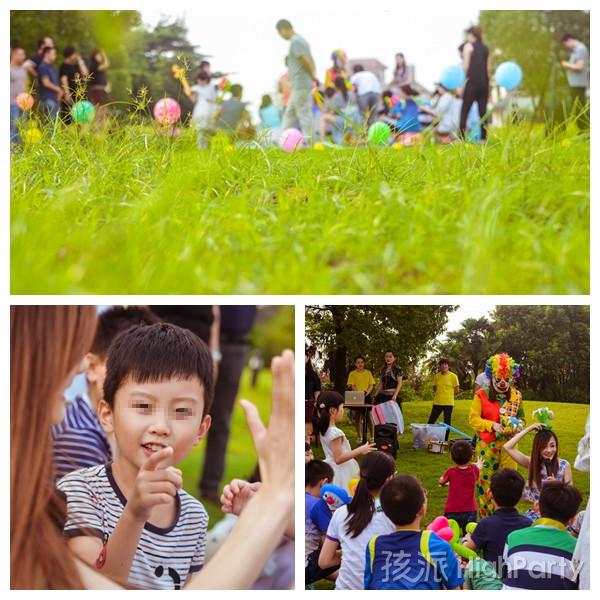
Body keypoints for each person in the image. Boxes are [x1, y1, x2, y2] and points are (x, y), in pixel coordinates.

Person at [11, 305, 296, 589]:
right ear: (107, 415)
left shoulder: (195, 517)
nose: (161, 425)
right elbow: (96, 584)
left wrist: (256, 516)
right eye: (143, 406)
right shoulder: (80, 490)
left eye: (182, 410)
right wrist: (134, 514)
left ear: (202, 428)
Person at [52, 305, 159, 481]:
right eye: (126, 370)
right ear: (92, 367)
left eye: (152, 375)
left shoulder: (122, 431)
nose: (143, 385)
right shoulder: (79, 441)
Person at [199, 305, 257, 504]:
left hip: (237, 345)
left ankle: (210, 485)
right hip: (203, 336)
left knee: (221, 420)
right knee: (180, 411)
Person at [365, 474, 463, 589]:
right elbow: (455, 588)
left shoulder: (374, 546)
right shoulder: (435, 545)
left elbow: (368, 586)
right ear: (421, 510)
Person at [319, 452, 396, 589]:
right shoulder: (396, 514)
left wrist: (352, 554)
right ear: (389, 479)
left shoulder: (341, 513)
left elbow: (324, 561)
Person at [469, 353, 525, 517]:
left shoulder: (516, 396)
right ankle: (486, 519)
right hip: (487, 446)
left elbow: (522, 418)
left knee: (509, 482)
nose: (502, 383)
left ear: (511, 378)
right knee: (486, 481)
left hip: (509, 446)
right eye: (499, 378)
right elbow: (473, 420)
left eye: (506, 379)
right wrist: (492, 425)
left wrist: (518, 426)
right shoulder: (481, 395)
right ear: (491, 376)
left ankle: (507, 518)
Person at [502, 481, 582, 590]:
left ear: (537, 507)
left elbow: (507, 570)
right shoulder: (578, 549)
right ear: (572, 520)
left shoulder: (513, 537)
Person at [462, 468, 532, 577]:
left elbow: (465, 549)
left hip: (493, 582)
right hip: (521, 580)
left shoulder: (486, 525)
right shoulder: (529, 525)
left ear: (490, 494)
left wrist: (467, 538)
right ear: (520, 497)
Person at [502, 423, 572, 521]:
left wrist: (557, 486)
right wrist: (529, 429)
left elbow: (571, 496)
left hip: (557, 515)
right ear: (537, 448)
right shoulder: (532, 463)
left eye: (552, 446)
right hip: (536, 515)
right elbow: (507, 447)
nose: (549, 450)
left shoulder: (564, 465)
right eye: (544, 447)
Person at [311, 391, 375, 492]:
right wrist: (360, 450)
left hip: (331, 468)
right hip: (342, 471)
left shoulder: (324, 429)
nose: (343, 411)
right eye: (342, 408)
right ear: (333, 410)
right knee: (347, 494)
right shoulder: (336, 433)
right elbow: (338, 459)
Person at [276, 19, 316, 143]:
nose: (280, 36)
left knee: (303, 113)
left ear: (284, 29)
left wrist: (312, 75)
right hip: (298, 84)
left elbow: (305, 60)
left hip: (301, 83)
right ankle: (283, 141)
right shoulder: (300, 40)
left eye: (280, 32)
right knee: (290, 113)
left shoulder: (296, 41)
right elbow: (310, 60)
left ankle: (309, 143)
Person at [305, 460, 338, 585]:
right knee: (349, 552)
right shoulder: (319, 504)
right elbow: (329, 541)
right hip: (305, 566)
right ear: (324, 483)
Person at [439, 440, 482, 533]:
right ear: (471, 457)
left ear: (452, 457)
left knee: (451, 536)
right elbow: (477, 472)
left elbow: (442, 481)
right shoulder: (474, 470)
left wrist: (443, 482)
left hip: (452, 510)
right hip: (470, 510)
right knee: (469, 536)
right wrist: (478, 465)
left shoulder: (451, 471)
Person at [459, 26, 491, 142]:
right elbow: (488, 71)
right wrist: (489, 90)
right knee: (483, 113)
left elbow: (466, 67)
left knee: (464, 111)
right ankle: (483, 139)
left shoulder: (468, 46)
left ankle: (461, 138)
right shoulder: (486, 49)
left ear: (471, 35)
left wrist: (461, 86)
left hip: (472, 83)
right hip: (484, 85)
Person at [319, 75, 360, 144]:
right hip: (355, 121)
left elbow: (331, 113)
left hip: (345, 121)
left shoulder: (337, 96)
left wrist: (322, 107)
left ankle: (321, 141)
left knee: (323, 118)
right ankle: (350, 140)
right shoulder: (351, 94)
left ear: (335, 86)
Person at [560, 33, 589, 130]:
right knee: (577, 109)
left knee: (580, 109)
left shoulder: (581, 49)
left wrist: (566, 64)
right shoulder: (576, 50)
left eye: (566, 44)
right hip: (574, 84)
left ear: (569, 40)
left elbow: (579, 67)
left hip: (578, 85)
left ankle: (585, 132)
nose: (566, 47)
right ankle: (583, 131)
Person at [346, 355, 375, 443]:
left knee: (369, 416)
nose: (360, 364)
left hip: (367, 396)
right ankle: (359, 437)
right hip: (357, 397)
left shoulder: (368, 373)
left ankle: (372, 436)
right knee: (357, 417)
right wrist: (359, 394)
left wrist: (366, 393)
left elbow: (371, 385)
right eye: (358, 362)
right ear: (355, 364)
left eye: (362, 362)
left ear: (364, 363)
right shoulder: (352, 373)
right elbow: (352, 385)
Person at [428, 358, 460, 432]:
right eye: (442, 364)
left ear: (448, 366)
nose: (444, 366)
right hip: (437, 402)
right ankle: (427, 438)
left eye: (445, 364)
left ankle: (445, 440)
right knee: (431, 421)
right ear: (440, 366)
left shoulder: (453, 376)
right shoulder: (437, 376)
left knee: (447, 423)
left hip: (448, 403)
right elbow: (435, 388)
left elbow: (457, 389)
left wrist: (449, 395)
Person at [188, 70, 218, 149]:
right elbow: (193, 100)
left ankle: (207, 148)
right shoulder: (195, 88)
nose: (202, 82)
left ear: (206, 80)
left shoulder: (210, 88)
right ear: (197, 79)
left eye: (203, 80)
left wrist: (210, 101)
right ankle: (200, 147)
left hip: (209, 110)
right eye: (200, 80)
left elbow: (215, 100)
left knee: (208, 130)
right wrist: (190, 93)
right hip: (200, 110)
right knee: (200, 129)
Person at [59, 46, 89, 122]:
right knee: (68, 120)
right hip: (71, 97)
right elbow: (64, 80)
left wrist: (80, 61)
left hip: (80, 97)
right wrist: (67, 94)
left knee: (81, 120)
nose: (76, 55)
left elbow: (86, 74)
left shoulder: (75, 66)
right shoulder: (64, 66)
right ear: (70, 55)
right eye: (74, 54)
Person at [37, 46, 63, 121]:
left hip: (55, 100)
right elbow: (46, 83)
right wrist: (59, 90)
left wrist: (59, 93)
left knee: (55, 126)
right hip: (47, 100)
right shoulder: (43, 67)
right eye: (54, 53)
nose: (55, 56)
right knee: (49, 126)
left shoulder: (52, 67)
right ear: (46, 54)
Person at [10, 45, 28, 145]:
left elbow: (23, 86)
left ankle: (20, 153)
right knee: (12, 129)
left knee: (22, 129)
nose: (23, 57)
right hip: (11, 103)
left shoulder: (23, 69)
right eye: (21, 54)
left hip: (23, 104)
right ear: (14, 55)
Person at [305, 349, 321, 443]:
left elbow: (317, 391)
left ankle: (306, 443)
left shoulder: (313, 375)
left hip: (309, 403)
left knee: (308, 422)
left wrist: (316, 403)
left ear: (307, 358)